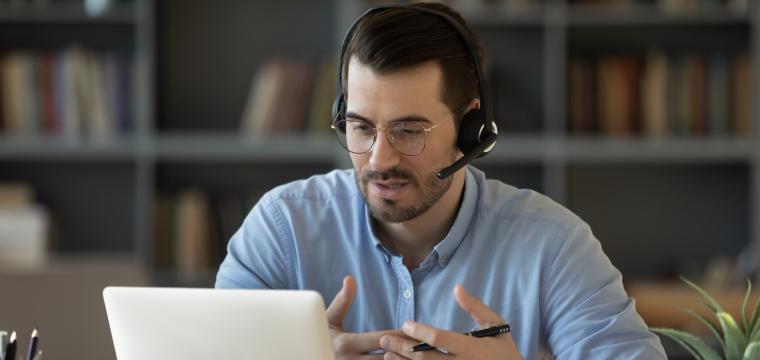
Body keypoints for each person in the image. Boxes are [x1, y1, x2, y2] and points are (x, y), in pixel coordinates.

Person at [216, 2, 667, 359]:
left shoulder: (554, 246)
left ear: (471, 130)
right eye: (360, 127)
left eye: (409, 130)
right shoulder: (282, 228)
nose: (379, 158)